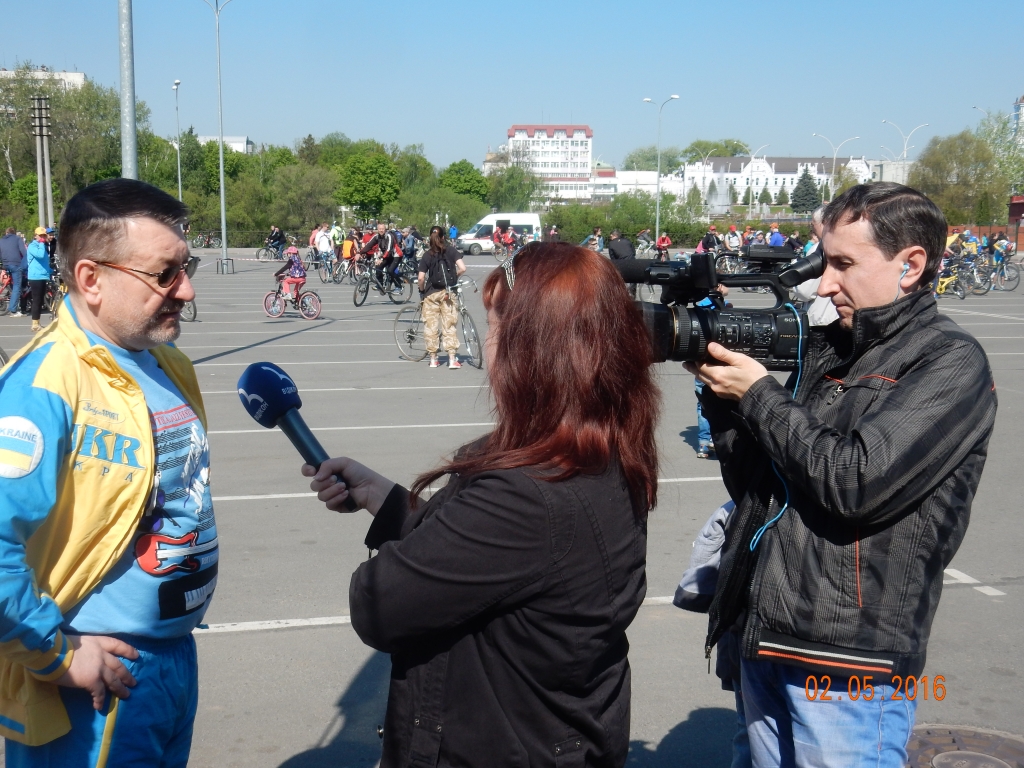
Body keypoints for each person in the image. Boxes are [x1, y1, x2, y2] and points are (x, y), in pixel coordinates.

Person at [303, 241, 659, 768]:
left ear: (530, 350)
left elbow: (377, 605)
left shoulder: (526, 494)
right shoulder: (599, 449)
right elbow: (492, 563)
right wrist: (384, 499)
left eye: (493, 326)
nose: (485, 344)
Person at [689, 183, 997, 768]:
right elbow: (761, 487)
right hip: (766, 633)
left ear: (911, 265)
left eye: (844, 264)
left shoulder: (949, 360)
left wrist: (758, 395)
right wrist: (723, 398)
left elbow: (855, 482)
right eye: (824, 262)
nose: (826, 284)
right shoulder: (831, 349)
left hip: (847, 662)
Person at [0, 178, 213, 766]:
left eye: (186, 267)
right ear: (91, 279)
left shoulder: (166, 363)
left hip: (171, 662)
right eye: (164, 274)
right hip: (93, 678)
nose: (186, 289)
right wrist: (57, 655)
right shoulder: (43, 386)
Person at [416, 226, 466, 369]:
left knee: (431, 326)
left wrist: (422, 291)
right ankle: (452, 359)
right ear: (444, 237)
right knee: (449, 324)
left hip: (431, 293)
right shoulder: (451, 251)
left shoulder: (427, 255)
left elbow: (421, 278)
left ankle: (433, 359)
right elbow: (463, 268)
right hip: (448, 292)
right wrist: (454, 277)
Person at [789, 207, 839, 327]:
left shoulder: (819, 248)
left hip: (822, 319)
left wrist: (793, 282)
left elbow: (805, 292)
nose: (812, 228)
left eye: (813, 224)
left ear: (823, 223)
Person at [362, 223, 401, 290]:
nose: (381, 230)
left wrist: (382, 259)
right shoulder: (377, 236)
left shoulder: (389, 236)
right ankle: (380, 285)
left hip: (396, 255)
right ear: (377, 229)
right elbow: (369, 245)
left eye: (382, 229)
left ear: (385, 229)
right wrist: (360, 253)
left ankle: (399, 286)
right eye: (380, 229)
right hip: (387, 256)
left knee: (390, 271)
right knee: (378, 267)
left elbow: (389, 249)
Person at [27, 226, 51, 332]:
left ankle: (37, 322)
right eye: (40, 235)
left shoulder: (43, 246)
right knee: (37, 300)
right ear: (35, 236)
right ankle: (35, 324)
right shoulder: (32, 246)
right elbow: (40, 256)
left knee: (40, 300)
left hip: (42, 275)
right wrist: (41, 243)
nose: (42, 237)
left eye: (44, 236)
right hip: (35, 276)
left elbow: (44, 263)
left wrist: (50, 270)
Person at [1, 226, 28, 318]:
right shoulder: (18, 239)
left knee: (13, 285)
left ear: (6, 233)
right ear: (14, 233)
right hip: (16, 264)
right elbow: (24, 253)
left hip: (5, 264)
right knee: (17, 286)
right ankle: (13, 310)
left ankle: (11, 298)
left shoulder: (1, 240)